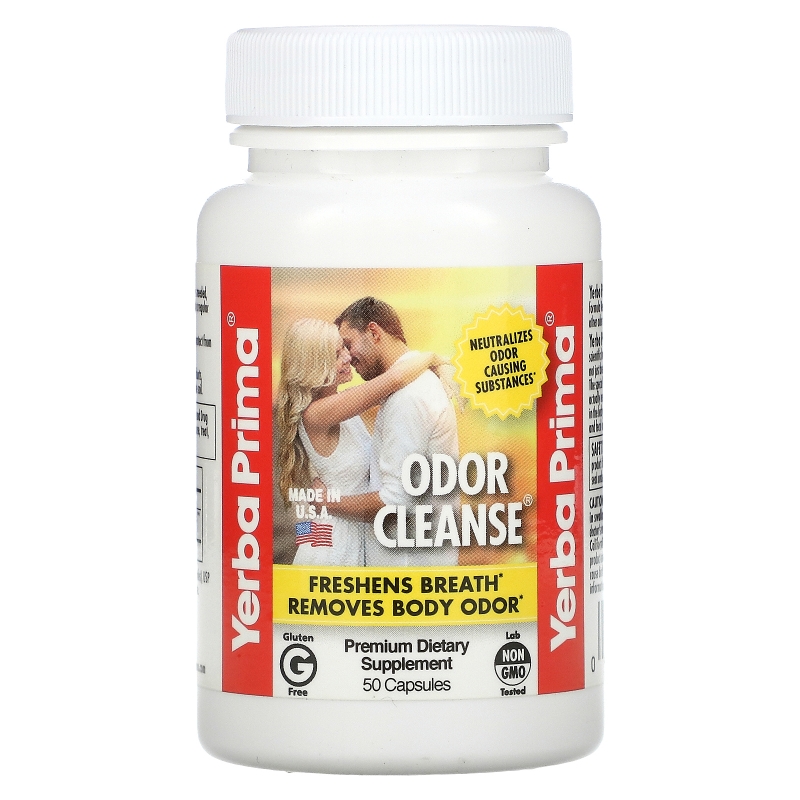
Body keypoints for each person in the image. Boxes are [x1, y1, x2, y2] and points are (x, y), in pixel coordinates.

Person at [275, 318, 442, 566]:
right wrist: (432, 357)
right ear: (315, 366)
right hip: (333, 551)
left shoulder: (341, 407)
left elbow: (397, 395)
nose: (348, 357)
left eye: (344, 347)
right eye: (336, 354)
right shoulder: (317, 414)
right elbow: (395, 379)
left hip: (349, 539)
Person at [330, 297, 460, 567]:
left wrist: (329, 503)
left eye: (348, 344)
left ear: (374, 332)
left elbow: (394, 502)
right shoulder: (409, 387)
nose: (347, 357)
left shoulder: (407, 397)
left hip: (407, 570)